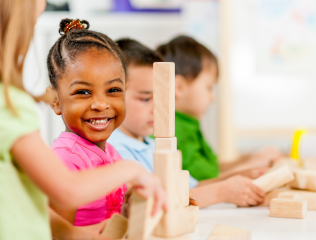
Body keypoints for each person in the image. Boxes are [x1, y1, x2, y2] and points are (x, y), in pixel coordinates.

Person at [0, 1, 166, 238]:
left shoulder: (110, 155)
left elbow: (25, 203)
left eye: (114, 90)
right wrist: (131, 170)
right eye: (83, 92)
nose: (100, 104)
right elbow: (66, 191)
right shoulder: (66, 154)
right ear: (56, 100)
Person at [108, 39, 266, 208]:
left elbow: (190, 188)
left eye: (162, 97)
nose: (158, 108)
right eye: (145, 98)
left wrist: (240, 177)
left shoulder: (152, 144)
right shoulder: (114, 150)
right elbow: (154, 202)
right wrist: (222, 191)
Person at [156, 36, 282, 183]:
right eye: (209, 88)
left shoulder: (188, 123)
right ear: (179, 87)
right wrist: (250, 166)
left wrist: (250, 160)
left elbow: (212, 168)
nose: (213, 97)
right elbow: (204, 178)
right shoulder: (172, 129)